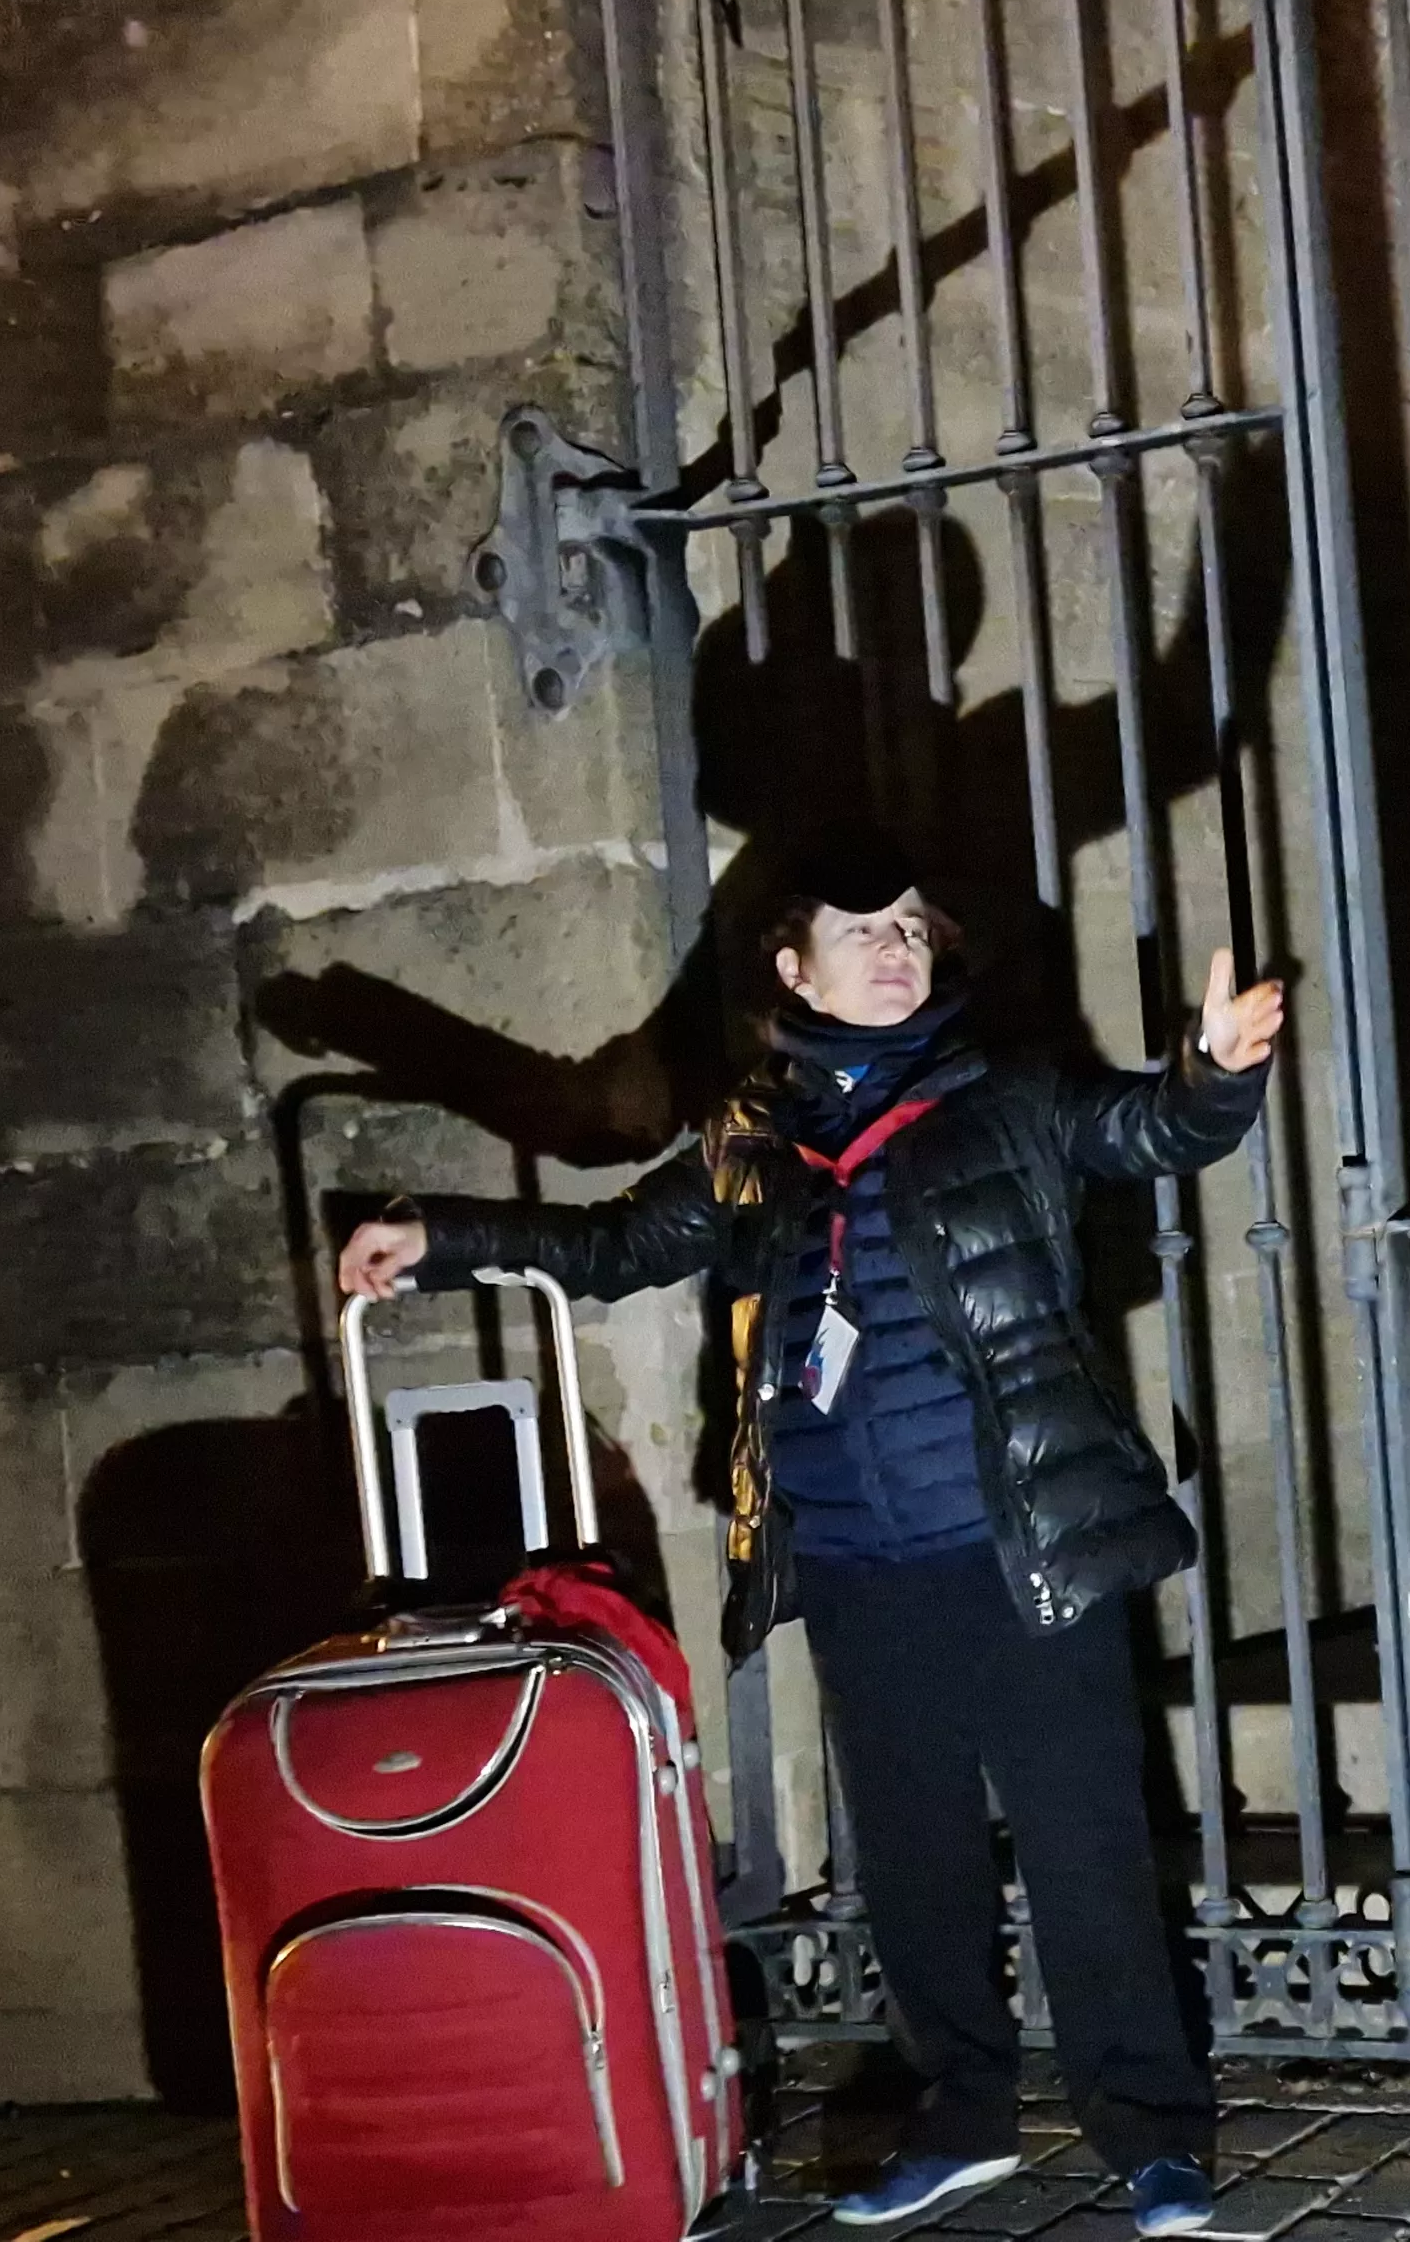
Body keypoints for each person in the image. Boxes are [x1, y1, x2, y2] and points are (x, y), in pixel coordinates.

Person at [335, 829, 1282, 2238]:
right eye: (862, 932)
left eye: (911, 927)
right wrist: (439, 1237)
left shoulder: (1008, 1096)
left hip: (1022, 1547)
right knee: (914, 1859)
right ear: (793, 968)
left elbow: (1148, 1131)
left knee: (1085, 1849)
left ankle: (1150, 2131)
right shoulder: (748, 1146)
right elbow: (609, 1252)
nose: (895, 951)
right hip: (852, 1559)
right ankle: (962, 2117)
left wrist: (1215, 1072)